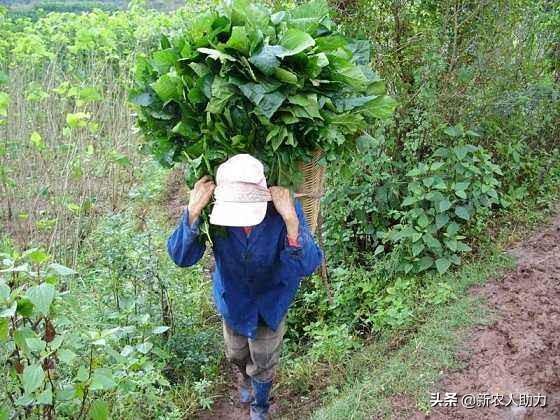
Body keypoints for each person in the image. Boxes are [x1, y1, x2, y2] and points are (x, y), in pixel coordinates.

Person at [167, 154, 323, 420]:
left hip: (271, 299)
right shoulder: (212, 211)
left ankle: (260, 404)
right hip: (234, 298)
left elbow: (308, 264)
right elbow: (182, 257)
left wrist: (291, 223)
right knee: (235, 353)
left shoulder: (283, 208)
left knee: (263, 358)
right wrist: (192, 212)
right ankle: (246, 380)